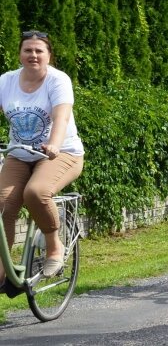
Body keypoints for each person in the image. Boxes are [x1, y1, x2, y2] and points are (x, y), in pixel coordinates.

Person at [0, 31, 85, 289]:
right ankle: (3, 270)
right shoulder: (6, 81)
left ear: (49, 55)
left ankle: (54, 248)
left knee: (36, 192)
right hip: (20, 153)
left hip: (62, 152)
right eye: (28, 50)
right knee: (3, 203)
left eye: (39, 51)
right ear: (20, 54)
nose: (33, 55)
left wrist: (55, 145)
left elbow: (61, 116)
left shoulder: (58, 80)